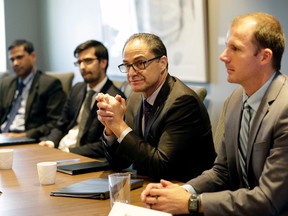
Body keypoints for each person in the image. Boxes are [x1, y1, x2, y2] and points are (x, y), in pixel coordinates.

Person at [141, 12, 288, 215]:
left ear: (265, 56)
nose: (223, 56)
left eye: (235, 48)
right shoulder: (235, 100)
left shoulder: (285, 108)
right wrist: (182, 191)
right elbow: (222, 171)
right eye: (226, 46)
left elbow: (268, 200)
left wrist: (192, 202)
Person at [96, 33, 216, 182]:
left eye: (140, 63)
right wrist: (111, 127)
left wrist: (119, 125)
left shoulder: (183, 102)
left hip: (182, 190)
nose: (132, 73)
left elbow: (161, 167)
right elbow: (119, 163)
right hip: (147, 186)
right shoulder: (135, 96)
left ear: (162, 63)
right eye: (127, 65)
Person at [39, 40, 126, 158]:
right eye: (79, 62)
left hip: (82, 157)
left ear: (103, 62)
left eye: (88, 61)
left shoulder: (114, 98)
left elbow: (104, 144)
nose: (82, 67)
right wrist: (50, 143)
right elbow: (61, 124)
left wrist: (69, 152)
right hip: (60, 150)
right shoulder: (77, 89)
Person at [0, 39, 66, 139]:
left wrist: (23, 135)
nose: (15, 63)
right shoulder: (6, 83)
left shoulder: (50, 84)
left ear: (33, 56)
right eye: (12, 60)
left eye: (19, 57)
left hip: (27, 139)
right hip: (3, 136)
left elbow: (55, 123)